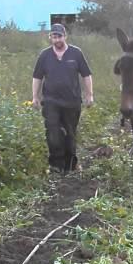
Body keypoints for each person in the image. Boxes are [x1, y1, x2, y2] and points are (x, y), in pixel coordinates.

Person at [32, 23, 94, 174]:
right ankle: (56, 165)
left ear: (65, 36)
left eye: (59, 36)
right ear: (50, 38)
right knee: (53, 132)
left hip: (72, 102)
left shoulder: (76, 54)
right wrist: (35, 96)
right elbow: (37, 77)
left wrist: (89, 95)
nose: (57, 39)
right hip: (51, 101)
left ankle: (71, 165)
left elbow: (86, 74)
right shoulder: (44, 55)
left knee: (70, 133)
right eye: (54, 36)